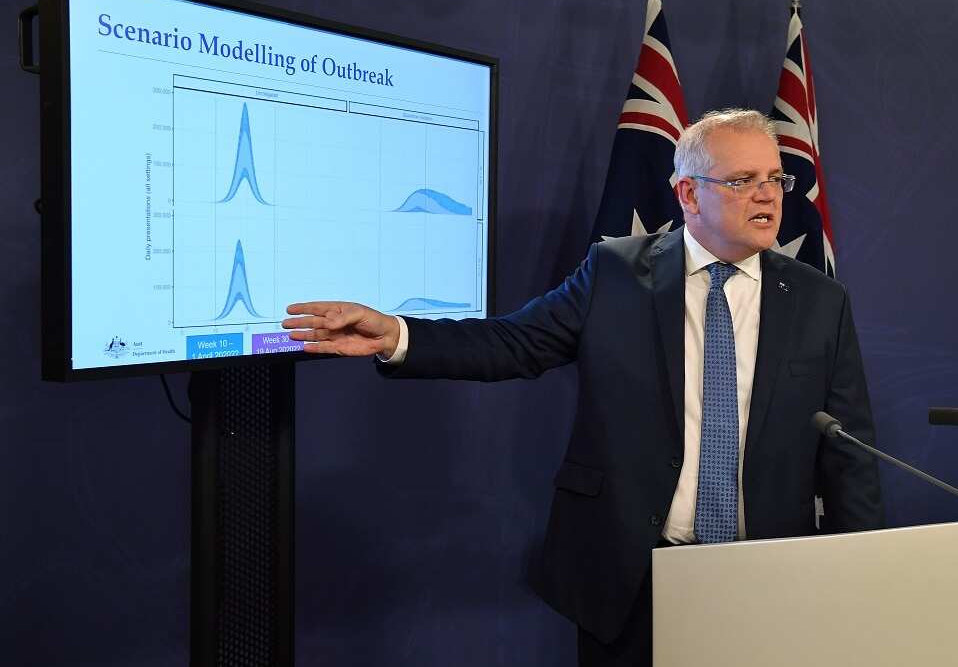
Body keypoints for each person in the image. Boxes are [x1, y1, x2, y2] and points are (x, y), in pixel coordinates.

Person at [282, 109, 883, 667]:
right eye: (743, 179)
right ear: (687, 193)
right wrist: (395, 334)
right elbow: (511, 344)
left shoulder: (818, 300)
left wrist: (861, 577)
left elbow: (850, 450)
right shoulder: (617, 272)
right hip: (631, 577)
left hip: (766, 577)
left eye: (775, 178)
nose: (767, 194)